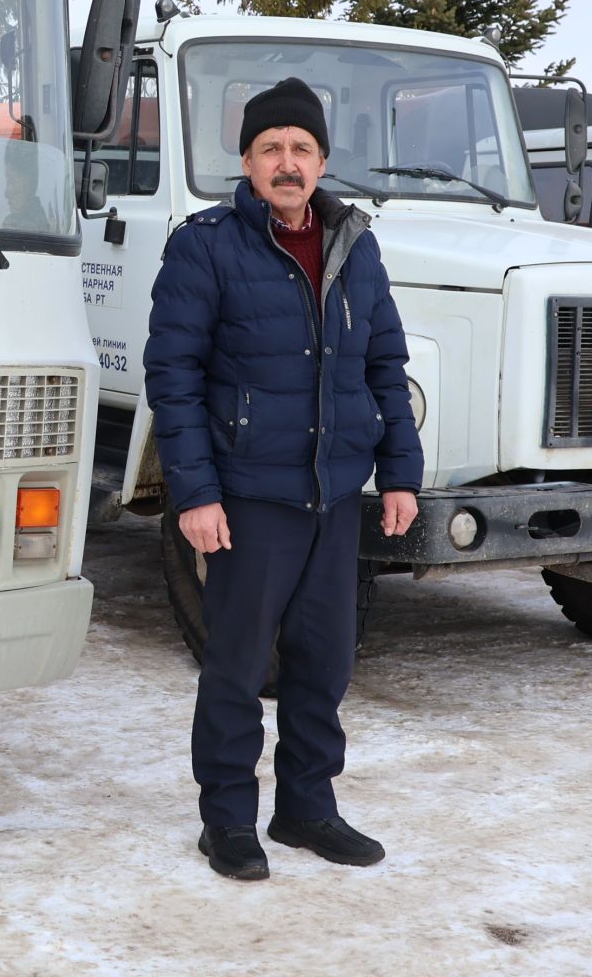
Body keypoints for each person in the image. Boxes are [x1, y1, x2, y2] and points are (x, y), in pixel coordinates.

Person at [144, 76, 423, 880]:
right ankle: (227, 820)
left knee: (324, 662)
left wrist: (399, 474)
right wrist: (194, 493)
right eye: (271, 148)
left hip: (333, 497)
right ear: (247, 161)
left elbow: (384, 365)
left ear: (323, 160)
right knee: (236, 665)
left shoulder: (354, 246)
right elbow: (176, 376)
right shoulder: (205, 246)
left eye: (301, 148)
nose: (287, 162)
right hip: (249, 499)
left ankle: (306, 808)